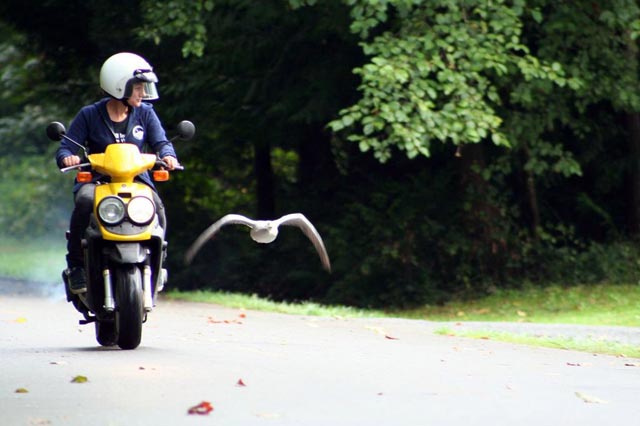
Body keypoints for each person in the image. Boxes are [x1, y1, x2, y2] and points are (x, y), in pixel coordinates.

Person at [55, 52, 180, 295]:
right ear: (119, 86)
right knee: (84, 201)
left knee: (158, 208)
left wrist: (169, 156)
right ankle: (76, 266)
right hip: (97, 181)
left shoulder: (145, 112)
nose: (142, 93)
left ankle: (158, 262)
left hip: (137, 180)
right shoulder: (89, 114)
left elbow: (162, 142)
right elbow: (66, 147)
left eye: (144, 88)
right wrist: (67, 157)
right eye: (138, 88)